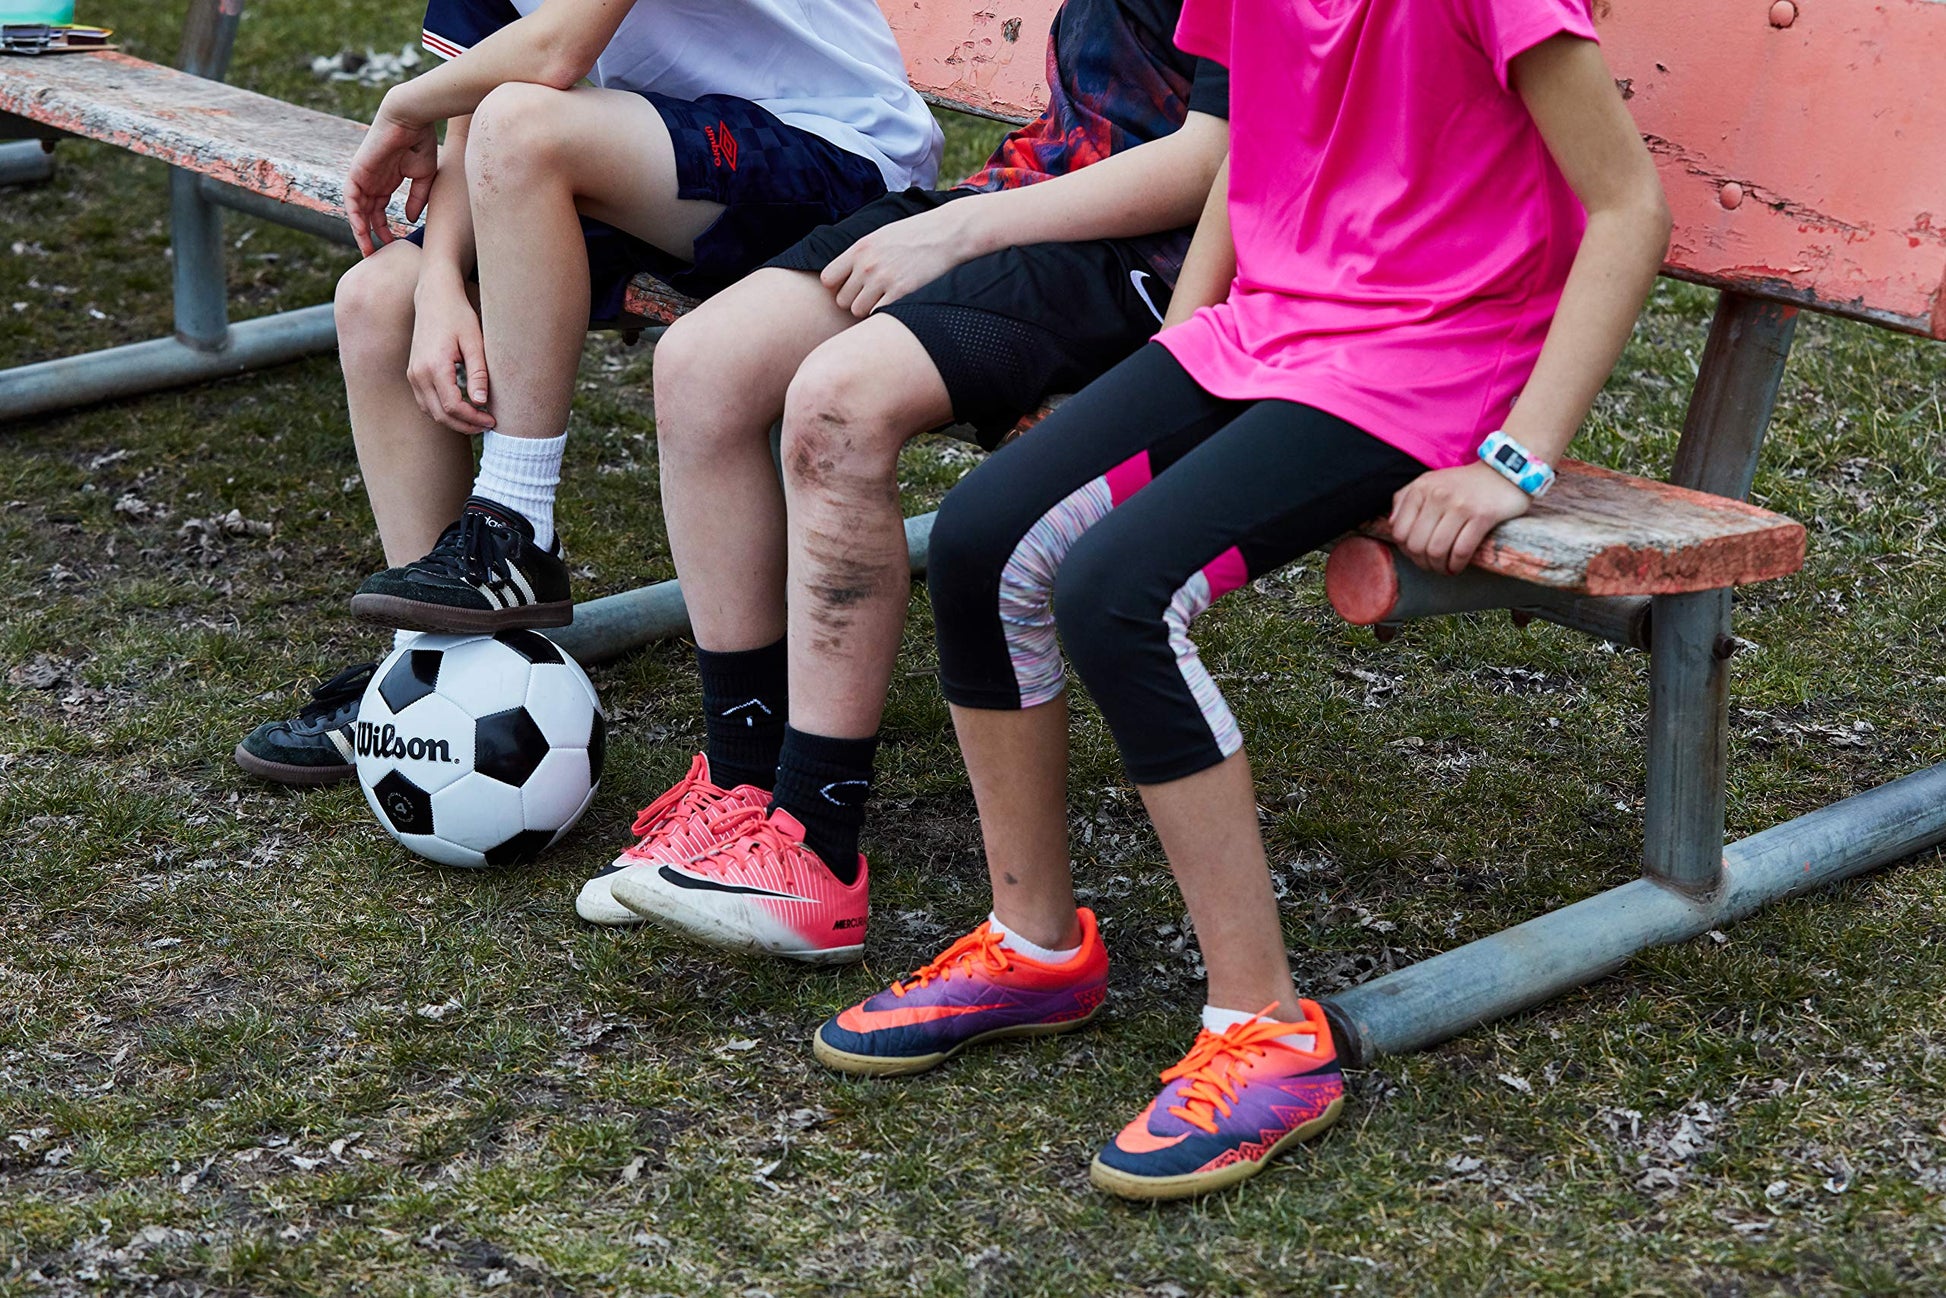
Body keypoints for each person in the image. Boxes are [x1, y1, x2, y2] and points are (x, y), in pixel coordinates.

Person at [812, 0, 1671, 1199]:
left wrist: (1512, 459)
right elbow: (1243, 156)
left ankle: (1265, 1026)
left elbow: (1629, 209)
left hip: (1429, 363)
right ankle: (1032, 944)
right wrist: (1182, 346)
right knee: (976, 538)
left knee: (1116, 591)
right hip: (1264, 330)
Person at [583, 0, 1233, 957]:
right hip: (1030, 194)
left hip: (1148, 263)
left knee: (837, 407)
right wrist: (974, 219)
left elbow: (1218, 158)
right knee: (704, 366)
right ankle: (741, 781)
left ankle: (816, 842)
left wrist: (971, 231)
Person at [233, 0, 940, 787]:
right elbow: (477, 100)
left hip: (836, 160)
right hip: (644, 164)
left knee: (526, 125)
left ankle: (517, 525)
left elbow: (555, 53)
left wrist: (402, 104)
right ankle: (428, 672)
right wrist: (437, 279)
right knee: (378, 300)